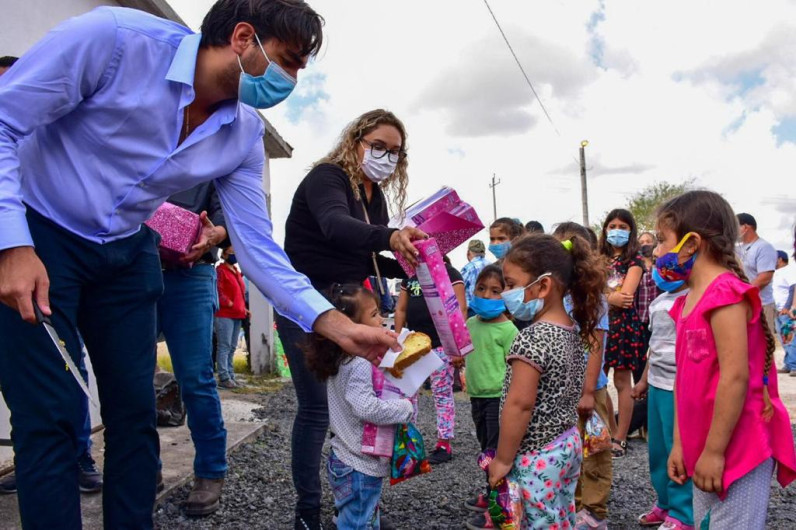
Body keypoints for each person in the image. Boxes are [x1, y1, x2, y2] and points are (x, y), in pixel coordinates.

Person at [0, 3, 402, 528]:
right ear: (242, 37)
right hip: (40, 233)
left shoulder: (241, 135)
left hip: (127, 250)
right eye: (290, 60)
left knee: (134, 416)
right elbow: (5, 121)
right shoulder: (113, 41)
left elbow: (258, 248)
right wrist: (11, 244)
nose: (294, 80)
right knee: (50, 420)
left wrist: (334, 323)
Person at [279, 108, 423, 529]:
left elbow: (366, 253)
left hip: (348, 306)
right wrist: (391, 237)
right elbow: (335, 226)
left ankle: (358, 502)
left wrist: (415, 263)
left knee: (353, 403)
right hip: (306, 305)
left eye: (395, 151)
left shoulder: (373, 195)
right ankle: (307, 510)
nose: (386, 156)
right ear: (355, 140)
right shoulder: (329, 177)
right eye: (378, 146)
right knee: (315, 409)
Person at [658, 191, 796, 528]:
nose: (657, 251)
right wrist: (680, 445)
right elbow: (684, 381)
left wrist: (715, 452)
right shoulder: (687, 301)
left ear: (692, 244)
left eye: (662, 240)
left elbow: (735, 378)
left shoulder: (726, 294)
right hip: (706, 447)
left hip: (736, 447)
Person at [0, 53, 103, 499]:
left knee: (63, 367)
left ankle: (77, 454)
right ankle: (34, 462)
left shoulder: (43, 145)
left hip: (41, 271)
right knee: (22, 387)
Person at [487, 233, 604, 529]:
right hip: (565, 444)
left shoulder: (531, 339)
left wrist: (502, 459)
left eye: (511, 285)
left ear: (543, 286)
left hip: (536, 455)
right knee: (560, 516)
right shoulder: (572, 330)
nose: (506, 294)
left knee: (538, 521)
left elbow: (520, 405)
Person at [305, 284, 414, 530]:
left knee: (360, 517)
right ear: (351, 324)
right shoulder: (358, 363)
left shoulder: (340, 357)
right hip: (359, 464)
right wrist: (404, 408)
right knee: (358, 523)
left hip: (343, 457)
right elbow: (366, 407)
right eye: (374, 314)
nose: (381, 320)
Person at [155, 182, 231, 515]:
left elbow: (224, 214)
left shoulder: (208, 162)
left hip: (191, 275)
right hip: (133, 272)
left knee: (196, 379)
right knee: (131, 378)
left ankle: (211, 471)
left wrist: (216, 234)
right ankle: (143, 466)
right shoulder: (136, 148)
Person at [552, 222, 611, 530]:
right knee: (568, 450)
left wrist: (588, 391)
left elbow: (595, 346)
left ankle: (594, 511)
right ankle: (571, 505)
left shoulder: (592, 296)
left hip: (590, 391)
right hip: (561, 391)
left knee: (596, 452)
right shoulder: (556, 293)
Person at [631, 280, 693, 530]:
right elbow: (653, 347)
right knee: (657, 452)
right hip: (657, 385)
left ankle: (684, 513)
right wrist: (644, 380)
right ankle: (665, 503)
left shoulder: (693, 299)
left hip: (677, 387)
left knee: (677, 450)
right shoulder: (658, 302)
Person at [394, 255, 467, 465]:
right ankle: (409, 443)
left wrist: (457, 344)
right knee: (408, 394)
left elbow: (460, 308)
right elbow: (400, 309)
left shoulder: (450, 273)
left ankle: (444, 442)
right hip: (414, 345)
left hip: (441, 344)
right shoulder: (411, 277)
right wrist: (397, 340)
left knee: (442, 393)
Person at [461, 265, 518, 530]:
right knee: (486, 450)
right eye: (481, 289)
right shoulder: (471, 323)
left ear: (507, 294)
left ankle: (501, 512)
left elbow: (519, 370)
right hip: (477, 397)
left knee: (497, 454)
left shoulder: (509, 330)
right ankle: (492, 493)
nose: (487, 295)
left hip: (499, 399)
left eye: (496, 291)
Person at [599, 209, 645, 458]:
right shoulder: (596, 259)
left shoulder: (635, 261)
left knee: (622, 382)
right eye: (613, 225)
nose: (617, 230)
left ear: (631, 231)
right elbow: (593, 291)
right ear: (605, 229)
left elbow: (625, 298)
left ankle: (621, 437)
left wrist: (601, 294)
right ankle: (610, 429)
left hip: (624, 326)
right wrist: (609, 296)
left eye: (623, 226)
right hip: (599, 324)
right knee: (598, 380)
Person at [736, 213, 778, 336]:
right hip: (743, 303)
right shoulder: (737, 248)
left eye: (735, 226)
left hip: (762, 304)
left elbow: (764, 278)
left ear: (745, 227)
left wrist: (742, 292)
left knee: (763, 346)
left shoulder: (764, 247)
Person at [215, 247, 246, 388]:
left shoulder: (236, 272)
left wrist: (244, 308)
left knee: (232, 347)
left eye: (235, 253)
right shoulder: (220, 270)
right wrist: (228, 302)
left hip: (237, 313)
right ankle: (224, 376)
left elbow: (240, 292)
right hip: (225, 314)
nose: (234, 256)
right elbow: (218, 290)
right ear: (224, 254)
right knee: (224, 346)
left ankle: (230, 375)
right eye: (231, 253)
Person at [773, 249, 796, 375]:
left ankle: (794, 365)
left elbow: (793, 288)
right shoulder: (777, 272)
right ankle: (788, 364)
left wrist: (787, 307)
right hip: (778, 311)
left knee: (790, 338)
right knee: (784, 339)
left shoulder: (788, 271)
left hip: (786, 312)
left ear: (780, 259)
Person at [461, 239, 490, 316]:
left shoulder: (468, 268)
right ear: (484, 253)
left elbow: (459, 287)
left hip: (473, 310)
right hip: (490, 307)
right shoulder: (492, 266)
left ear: (468, 252)